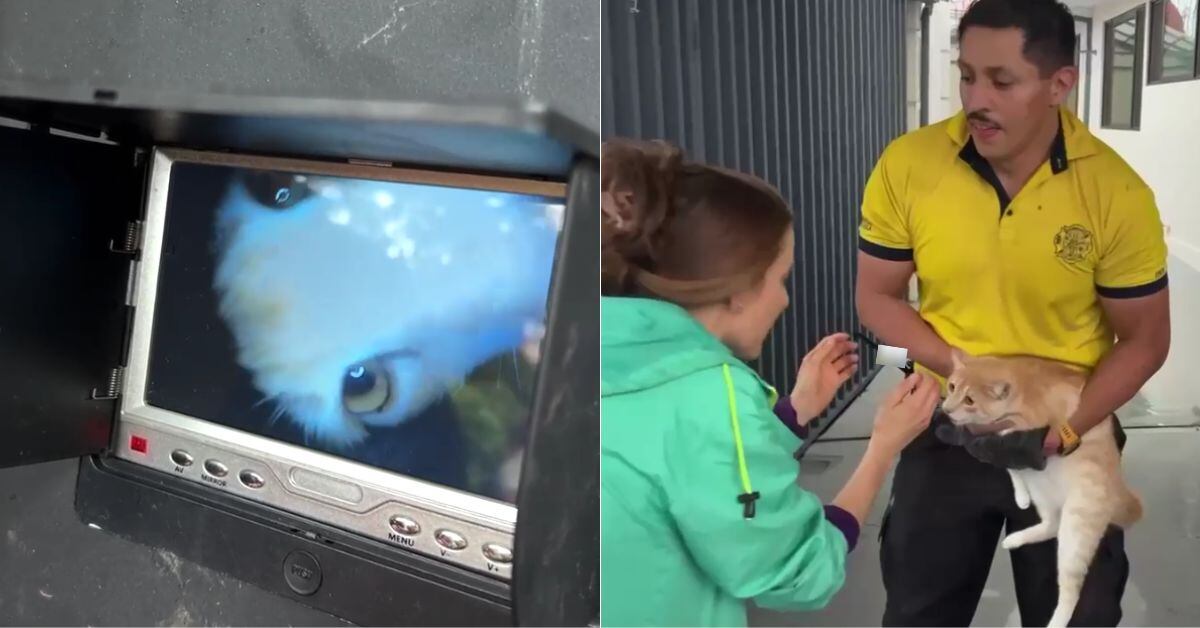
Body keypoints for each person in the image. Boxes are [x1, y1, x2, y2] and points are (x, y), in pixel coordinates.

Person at [854, 0, 1171, 625]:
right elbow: (877, 295)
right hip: (947, 423)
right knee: (920, 612)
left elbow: (1144, 339)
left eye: (1001, 80)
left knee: (1076, 613)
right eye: (966, 74)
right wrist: (965, 372)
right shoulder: (910, 164)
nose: (976, 97)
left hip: (1068, 430)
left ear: (1059, 84)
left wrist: (1069, 429)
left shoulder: (1117, 193)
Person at [599, 137, 941, 627]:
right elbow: (799, 571)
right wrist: (883, 448)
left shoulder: (586, 349)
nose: (783, 301)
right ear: (737, 292)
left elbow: (685, 466)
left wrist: (795, 410)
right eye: (780, 279)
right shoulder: (710, 392)